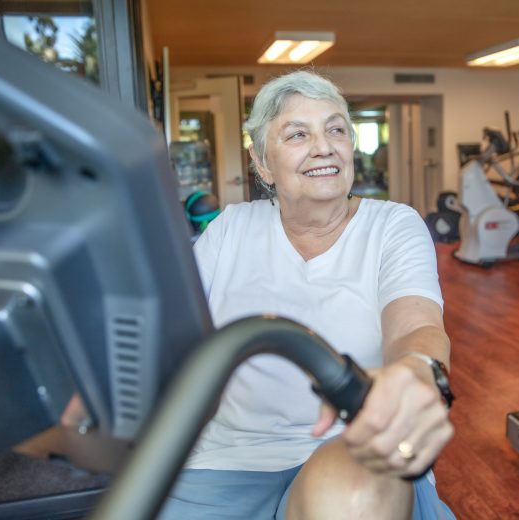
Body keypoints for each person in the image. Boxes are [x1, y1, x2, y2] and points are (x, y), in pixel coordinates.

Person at [160, 70, 454, 519]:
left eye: (336, 129)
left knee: (345, 501)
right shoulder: (230, 229)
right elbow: (169, 328)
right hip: (230, 457)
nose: (324, 146)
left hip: (353, 447)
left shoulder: (393, 224)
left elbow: (416, 325)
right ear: (262, 164)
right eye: (298, 134)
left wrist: (416, 371)